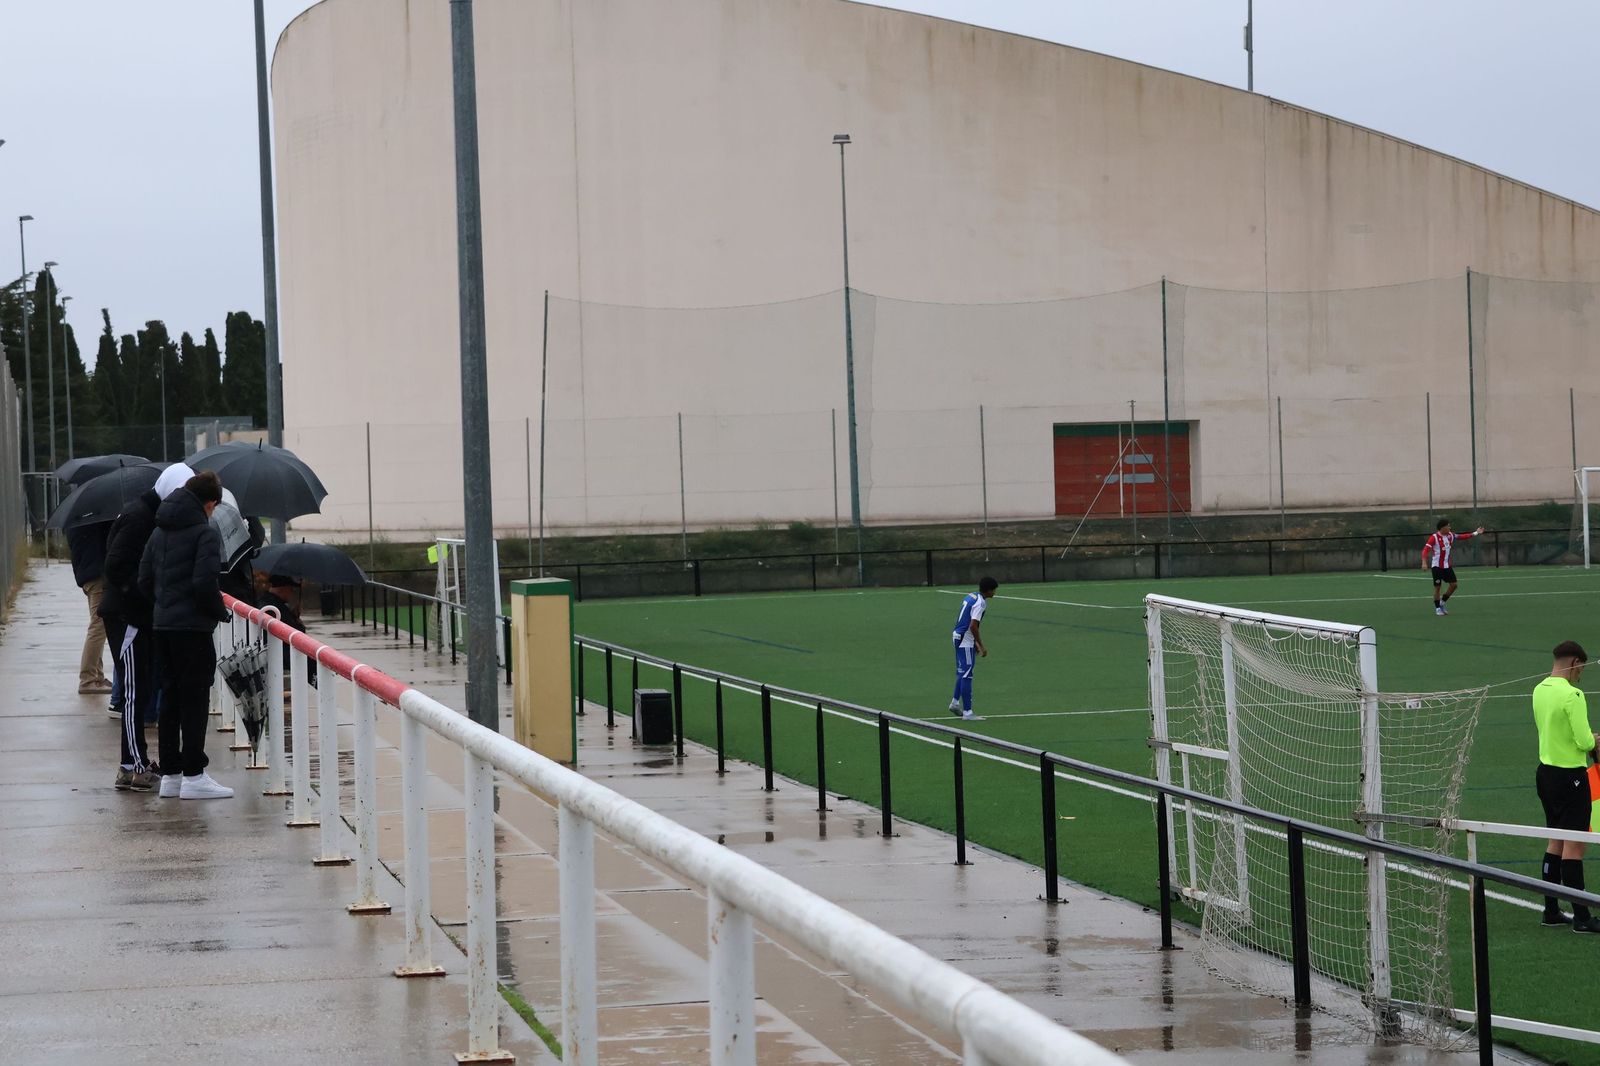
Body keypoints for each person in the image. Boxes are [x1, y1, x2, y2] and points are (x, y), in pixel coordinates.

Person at [99, 464, 196, 791]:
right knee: (133, 694)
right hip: (128, 618)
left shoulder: (144, 514)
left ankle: (134, 760)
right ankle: (132, 766)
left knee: (138, 692)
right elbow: (115, 566)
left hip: (134, 616)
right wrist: (142, 595)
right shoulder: (141, 517)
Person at [139, 470, 233, 800]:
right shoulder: (204, 535)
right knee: (195, 701)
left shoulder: (159, 530)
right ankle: (195, 774)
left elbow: (144, 580)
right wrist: (219, 613)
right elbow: (204, 584)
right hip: (193, 631)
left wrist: (164, 606)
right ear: (210, 503)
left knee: (170, 701)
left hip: (163, 627)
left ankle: (172, 775)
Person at [1533, 640, 1600, 931]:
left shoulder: (1539, 689)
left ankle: (1551, 911)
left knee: (1555, 842)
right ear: (1574, 662)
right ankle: (1582, 918)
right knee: (1574, 846)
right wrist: (1594, 740)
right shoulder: (1573, 695)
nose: (1579, 675)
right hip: (1572, 777)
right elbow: (1584, 742)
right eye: (1580, 669)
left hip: (1546, 773)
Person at [66, 522, 113, 696]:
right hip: (98, 576)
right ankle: (88, 678)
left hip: (87, 575)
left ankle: (96, 676)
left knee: (99, 625)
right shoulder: (96, 523)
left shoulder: (77, 522)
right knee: (98, 626)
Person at [948, 576, 998, 720]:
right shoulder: (981, 603)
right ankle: (968, 712)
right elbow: (973, 625)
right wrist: (980, 645)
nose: (995, 593)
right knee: (967, 674)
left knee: (962, 672)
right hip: (965, 639)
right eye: (994, 590)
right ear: (988, 590)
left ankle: (955, 703)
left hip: (957, 635)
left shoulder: (972, 596)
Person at [1420, 517, 1484, 616]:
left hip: (1447, 566)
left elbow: (1463, 536)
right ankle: (1437, 609)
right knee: (1437, 587)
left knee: (1454, 585)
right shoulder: (1434, 537)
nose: (1450, 527)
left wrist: (1476, 533)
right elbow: (1425, 550)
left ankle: (1442, 602)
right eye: (1448, 526)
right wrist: (1424, 562)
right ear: (1442, 527)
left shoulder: (1450, 535)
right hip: (1437, 567)